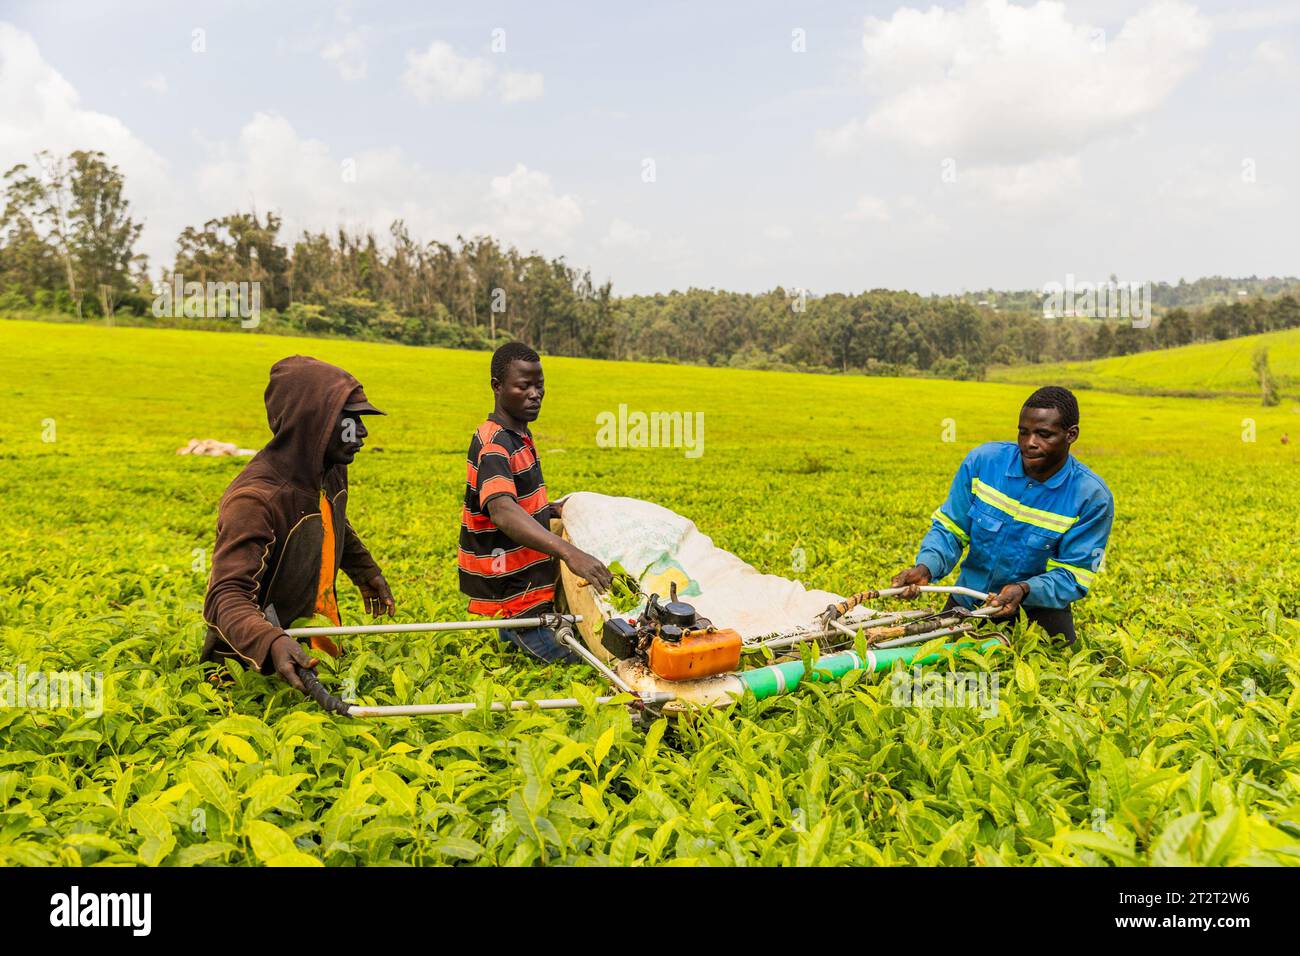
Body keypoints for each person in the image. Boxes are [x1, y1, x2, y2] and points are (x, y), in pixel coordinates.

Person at [201, 356, 395, 693]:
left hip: (312, 649)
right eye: (350, 420)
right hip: (247, 676)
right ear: (312, 422)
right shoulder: (255, 500)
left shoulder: (328, 468)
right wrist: (271, 641)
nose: (362, 432)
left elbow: (333, 521)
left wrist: (365, 571)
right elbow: (226, 596)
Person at [890, 386, 1113, 646]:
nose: (1030, 442)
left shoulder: (1091, 497)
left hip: (1036, 616)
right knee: (932, 662)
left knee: (1055, 674)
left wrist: (1025, 590)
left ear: (1070, 434)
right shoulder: (983, 462)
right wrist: (926, 566)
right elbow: (951, 529)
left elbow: (1072, 575)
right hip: (968, 603)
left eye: (1044, 434)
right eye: (1024, 431)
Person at [459, 341, 613, 662]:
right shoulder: (494, 444)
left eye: (539, 386)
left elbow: (521, 498)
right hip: (516, 591)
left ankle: (523, 627)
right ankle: (518, 631)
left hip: (530, 587)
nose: (535, 394)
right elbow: (502, 510)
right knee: (588, 665)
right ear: (497, 387)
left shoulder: (518, 435)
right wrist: (571, 553)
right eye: (523, 386)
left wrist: (554, 509)